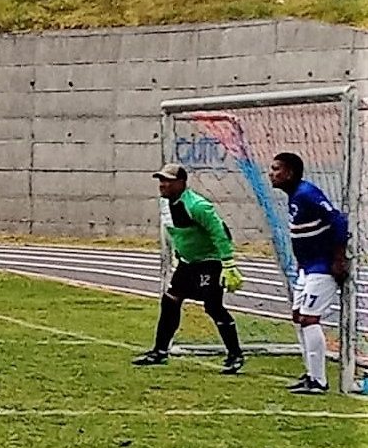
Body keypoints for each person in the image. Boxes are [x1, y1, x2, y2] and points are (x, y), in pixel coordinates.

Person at [132, 163, 246, 374]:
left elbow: (219, 233)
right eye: (161, 180)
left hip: (208, 262)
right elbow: (179, 231)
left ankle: (235, 355)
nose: (162, 185)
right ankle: (160, 351)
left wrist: (228, 263)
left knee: (213, 306)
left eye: (168, 180)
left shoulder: (198, 206)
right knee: (170, 300)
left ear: (181, 183)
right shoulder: (166, 203)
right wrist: (180, 251)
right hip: (188, 262)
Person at [269, 152, 349, 395]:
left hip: (322, 267)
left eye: (276, 169)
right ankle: (310, 373)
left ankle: (319, 381)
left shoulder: (307, 194)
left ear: (290, 173)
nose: (271, 174)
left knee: (309, 318)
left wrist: (338, 258)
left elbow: (339, 220)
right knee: (298, 316)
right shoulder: (295, 196)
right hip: (307, 268)